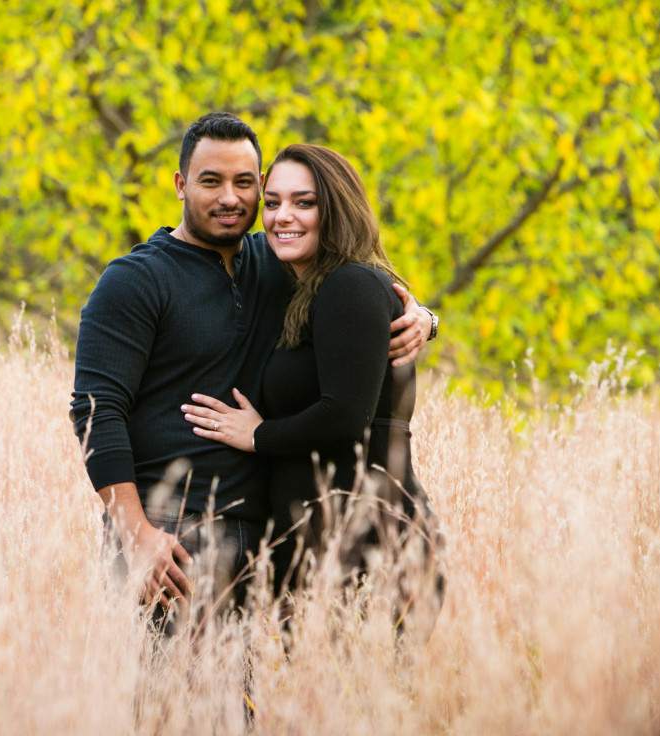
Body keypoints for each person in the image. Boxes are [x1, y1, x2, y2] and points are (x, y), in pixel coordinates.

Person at [69, 114, 436, 620]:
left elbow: (358, 293)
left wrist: (422, 317)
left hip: (267, 539)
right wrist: (136, 534)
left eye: (244, 183)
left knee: (248, 701)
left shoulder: (278, 261)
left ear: (260, 186)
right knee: (167, 698)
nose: (229, 198)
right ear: (180, 184)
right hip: (170, 531)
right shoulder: (134, 280)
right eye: (210, 181)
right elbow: (95, 411)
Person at [181, 144, 446, 629]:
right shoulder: (307, 289)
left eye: (304, 202)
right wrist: (428, 319)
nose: (284, 216)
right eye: (274, 201)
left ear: (336, 206)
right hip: (320, 546)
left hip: (370, 543)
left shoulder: (349, 285)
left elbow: (345, 417)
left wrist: (257, 435)